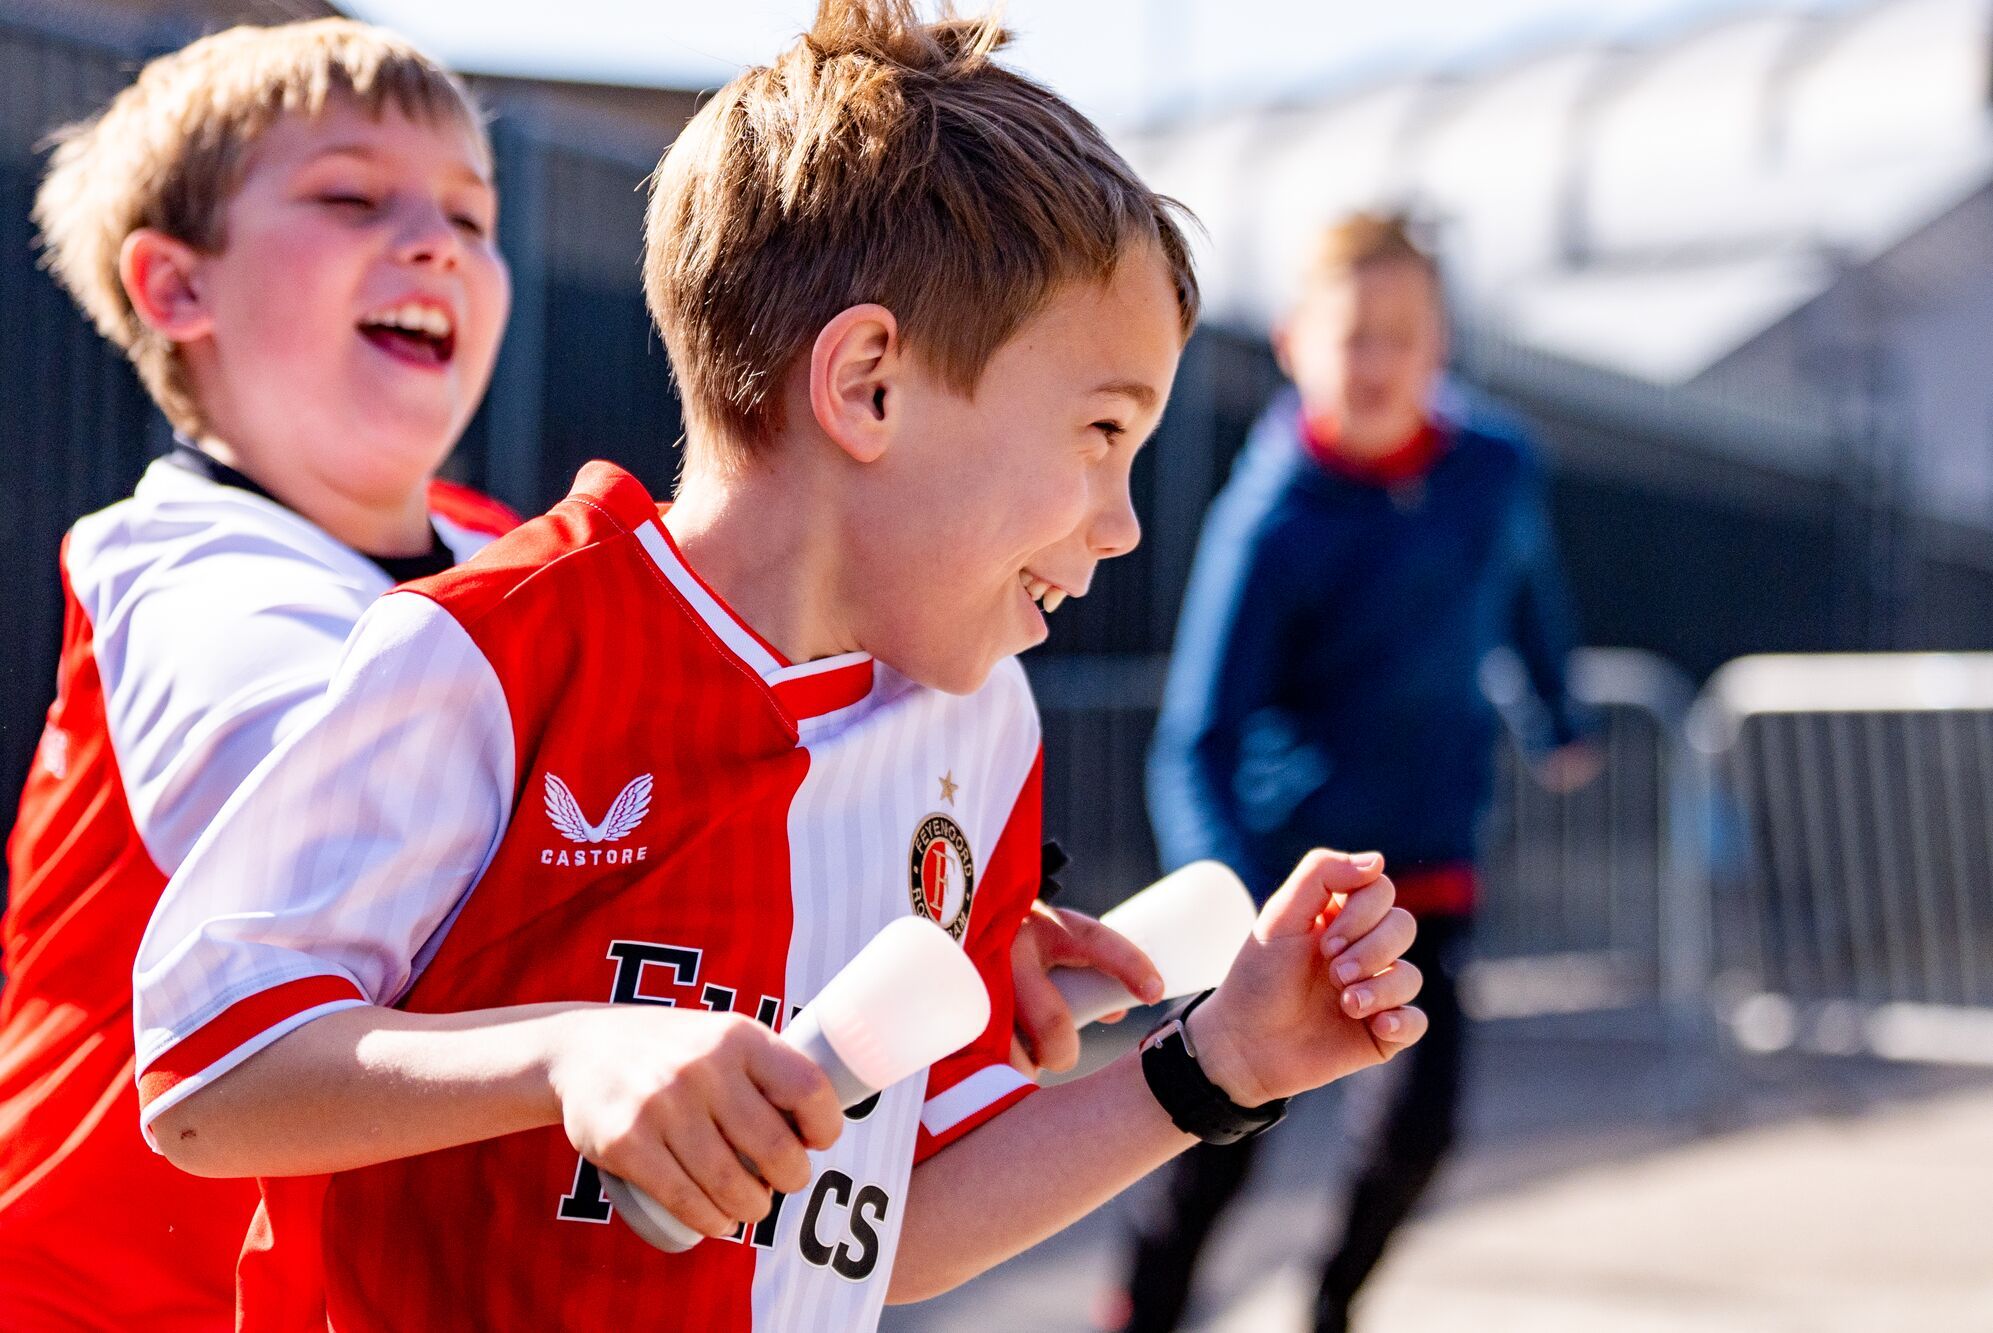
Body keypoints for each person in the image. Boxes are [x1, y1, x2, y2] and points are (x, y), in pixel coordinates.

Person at [129, 6, 1430, 1331]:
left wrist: (1219, 1064)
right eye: (1101, 432)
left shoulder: (979, 728)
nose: (1123, 521)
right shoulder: (492, 652)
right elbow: (202, 1074)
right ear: (867, 384)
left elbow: (891, 1226)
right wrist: (571, 1051)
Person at [0, 22, 520, 1329]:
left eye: (472, 211)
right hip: (95, 1298)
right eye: (352, 195)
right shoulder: (180, 572)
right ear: (178, 288)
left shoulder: (502, 555)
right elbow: (375, 833)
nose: (434, 240)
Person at [1106, 213, 1599, 1333]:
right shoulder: (1269, 522)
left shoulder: (1493, 471)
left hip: (1427, 866)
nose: (1375, 360)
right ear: (1292, 343)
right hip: (1291, 885)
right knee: (1218, 1143)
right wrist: (1233, 903)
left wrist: (1556, 711)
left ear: (1441, 346)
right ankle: (1142, 1308)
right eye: (1351, 335)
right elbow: (1196, 735)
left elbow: (1528, 592)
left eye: (1402, 334)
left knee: (1418, 1129)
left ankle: (1327, 1306)